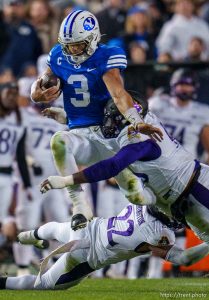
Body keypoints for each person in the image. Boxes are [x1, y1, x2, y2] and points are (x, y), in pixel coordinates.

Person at [30, 9, 163, 231]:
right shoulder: (58, 55)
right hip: (80, 135)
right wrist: (36, 93)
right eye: (68, 45)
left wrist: (135, 120)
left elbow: (119, 94)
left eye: (77, 45)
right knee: (59, 141)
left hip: (108, 134)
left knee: (136, 195)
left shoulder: (108, 54)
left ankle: (163, 207)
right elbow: (42, 81)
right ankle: (80, 206)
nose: (72, 50)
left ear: (92, 39)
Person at [40, 97, 209, 248]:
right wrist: (69, 120)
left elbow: (113, 165)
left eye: (112, 121)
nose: (107, 125)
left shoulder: (141, 139)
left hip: (195, 186)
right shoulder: (136, 122)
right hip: (176, 200)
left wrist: (67, 180)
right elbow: (106, 129)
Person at [1, 203, 209, 289]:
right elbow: (184, 259)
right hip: (88, 256)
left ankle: (25, 235)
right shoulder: (162, 235)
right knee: (42, 285)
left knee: (54, 229)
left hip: (88, 229)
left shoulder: (141, 204)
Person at [149, 68, 209, 164]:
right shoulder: (157, 103)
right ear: (173, 85)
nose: (184, 88)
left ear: (195, 87)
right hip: (158, 161)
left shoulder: (203, 111)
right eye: (181, 84)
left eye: (188, 85)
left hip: (187, 166)